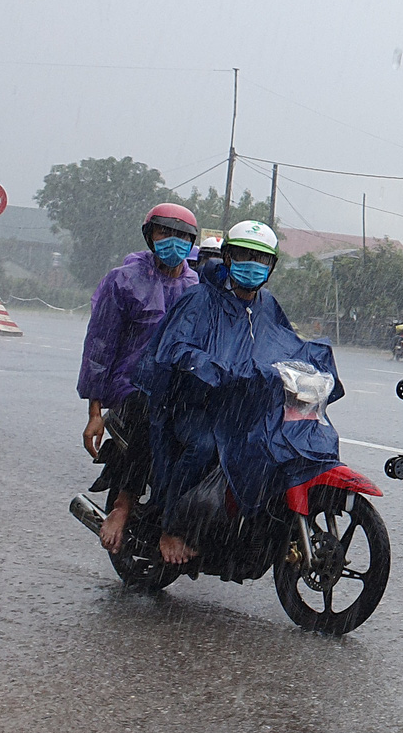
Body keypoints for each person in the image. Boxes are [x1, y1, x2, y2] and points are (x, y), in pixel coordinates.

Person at [142, 220, 341, 566]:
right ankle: (171, 527)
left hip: (244, 406)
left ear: (272, 266)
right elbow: (176, 348)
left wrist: (310, 366)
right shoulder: (199, 299)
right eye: (244, 255)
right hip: (196, 403)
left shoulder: (267, 304)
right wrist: (213, 368)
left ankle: (243, 531)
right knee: (205, 446)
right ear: (229, 257)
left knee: (276, 447)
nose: (252, 265)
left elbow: (285, 344)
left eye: (260, 259)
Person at [78, 203, 202, 553]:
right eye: (165, 233)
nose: (172, 242)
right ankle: (123, 503)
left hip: (180, 386)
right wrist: (94, 414)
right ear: (150, 236)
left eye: (181, 236)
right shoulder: (124, 280)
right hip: (131, 385)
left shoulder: (197, 286)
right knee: (152, 414)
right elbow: (100, 346)